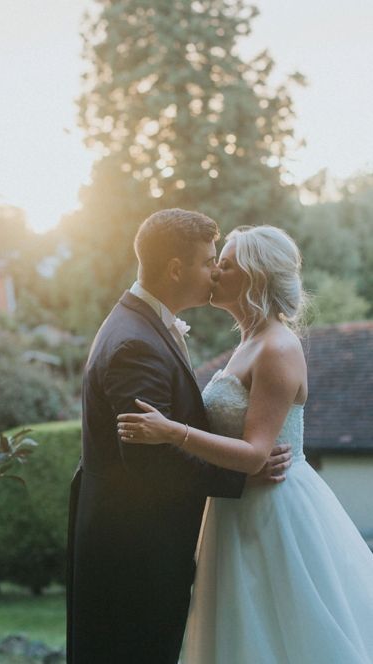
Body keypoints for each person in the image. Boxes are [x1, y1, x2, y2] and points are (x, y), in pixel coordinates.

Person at [118, 224, 373, 663]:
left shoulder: (277, 348)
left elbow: (256, 455)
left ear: (254, 277)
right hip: (233, 510)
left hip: (273, 512)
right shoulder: (247, 343)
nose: (215, 270)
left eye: (227, 264)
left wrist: (171, 431)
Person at [66, 209, 290, 664]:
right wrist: (241, 476)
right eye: (210, 261)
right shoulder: (135, 344)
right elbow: (151, 462)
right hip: (135, 552)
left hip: (133, 541)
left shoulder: (142, 324)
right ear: (175, 268)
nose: (216, 271)